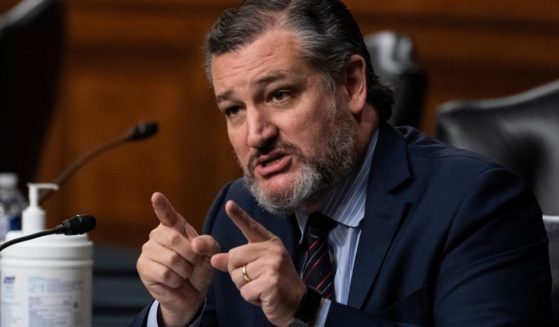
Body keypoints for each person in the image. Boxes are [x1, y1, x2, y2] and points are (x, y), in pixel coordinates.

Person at [132, 0, 551, 326]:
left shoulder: (475, 204)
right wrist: (177, 314)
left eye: (279, 95)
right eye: (234, 110)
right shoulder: (238, 210)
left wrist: (311, 313)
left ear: (351, 84)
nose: (255, 134)